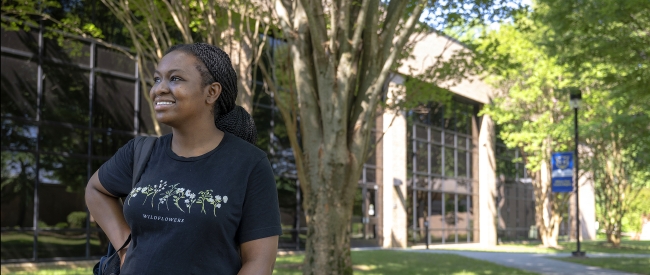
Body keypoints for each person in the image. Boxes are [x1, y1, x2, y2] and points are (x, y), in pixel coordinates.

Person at [85, 43, 282, 275]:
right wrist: (124, 246)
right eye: (157, 79)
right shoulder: (140, 151)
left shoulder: (250, 164)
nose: (159, 89)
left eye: (175, 79)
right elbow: (96, 190)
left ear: (212, 92)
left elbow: (259, 262)